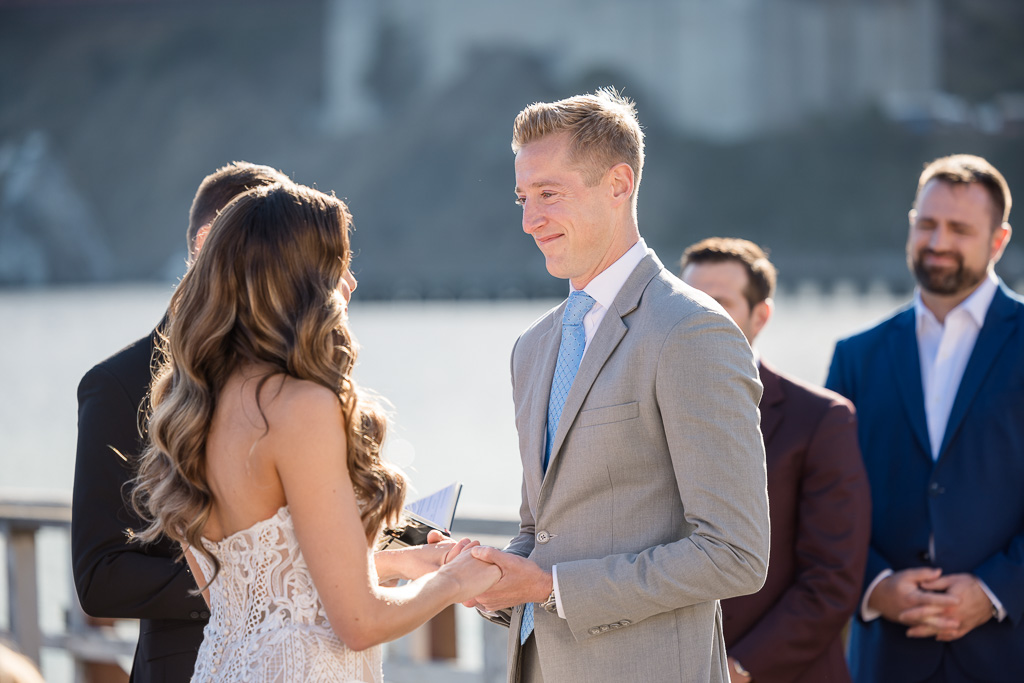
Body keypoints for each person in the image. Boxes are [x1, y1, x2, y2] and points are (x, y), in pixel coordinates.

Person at [130, 182, 501, 683]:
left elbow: (258, 589)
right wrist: (454, 581)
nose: (349, 281)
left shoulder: (192, 404)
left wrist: (408, 563)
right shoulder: (300, 407)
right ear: (303, 281)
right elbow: (360, 623)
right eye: (337, 264)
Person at [467, 89, 770, 683]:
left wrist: (551, 587)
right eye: (523, 197)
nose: (530, 220)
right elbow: (541, 529)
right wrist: (490, 573)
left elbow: (736, 555)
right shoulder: (532, 348)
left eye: (549, 194)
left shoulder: (692, 331)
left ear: (618, 184)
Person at [72, 161, 292, 682]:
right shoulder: (119, 384)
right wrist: (248, 586)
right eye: (276, 245)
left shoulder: (288, 375)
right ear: (208, 242)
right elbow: (102, 576)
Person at [826, 154, 1022, 682]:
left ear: (998, 240)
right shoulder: (856, 356)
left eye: (960, 229)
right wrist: (875, 586)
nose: (938, 242)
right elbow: (824, 500)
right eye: (927, 224)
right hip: (887, 656)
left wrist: (995, 590)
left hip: (1009, 651)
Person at [680, 237, 871, 683]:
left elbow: (832, 579)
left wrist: (736, 668)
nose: (698, 315)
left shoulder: (821, 419)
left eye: (719, 302)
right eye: (688, 300)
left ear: (760, 315)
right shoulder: (648, 412)